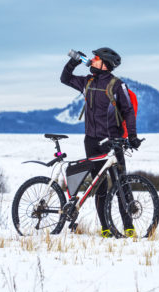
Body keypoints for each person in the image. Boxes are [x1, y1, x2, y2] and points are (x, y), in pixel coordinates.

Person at [60, 47, 142, 238]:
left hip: (113, 142)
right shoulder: (87, 82)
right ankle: (105, 228)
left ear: (105, 64)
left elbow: (128, 111)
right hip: (91, 141)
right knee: (101, 185)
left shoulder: (117, 85)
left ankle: (128, 226)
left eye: (96, 58)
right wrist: (74, 62)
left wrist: (132, 136)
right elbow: (65, 78)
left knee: (122, 183)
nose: (93, 60)